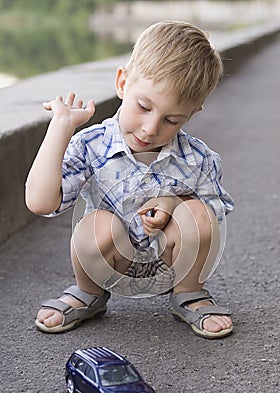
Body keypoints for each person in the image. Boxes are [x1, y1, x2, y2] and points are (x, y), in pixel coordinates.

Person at [26, 21, 234, 339]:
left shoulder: (197, 159)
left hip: (168, 261)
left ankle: (189, 293)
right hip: (112, 258)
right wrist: (61, 127)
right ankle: (89, 292)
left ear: (192, 113)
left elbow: (215, 214)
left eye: (171, 119)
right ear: (122, 83)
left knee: (199, 214)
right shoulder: (91, 145)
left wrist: (173, 202)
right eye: (143, 107)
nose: (151, 128)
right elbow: (41, 202)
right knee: (92, 224)